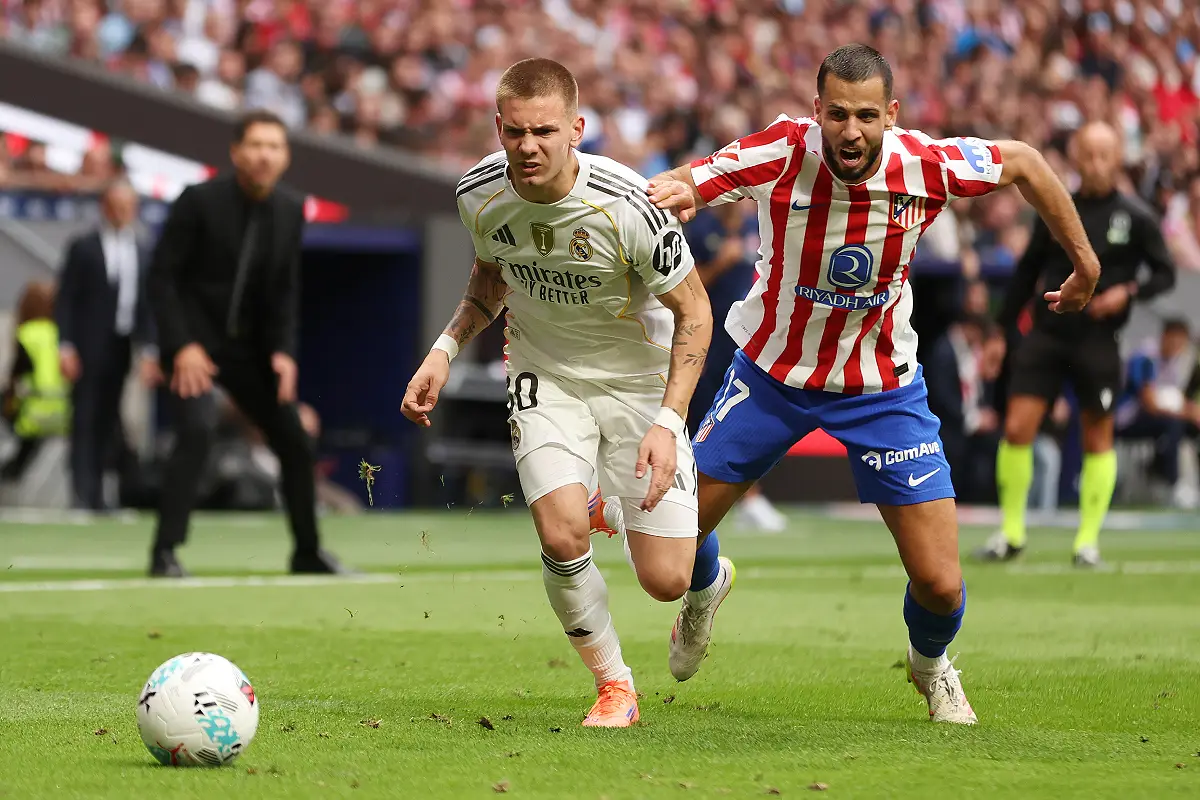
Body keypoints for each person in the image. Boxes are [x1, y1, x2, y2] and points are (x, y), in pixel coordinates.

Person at [627, 43, 1099, 724]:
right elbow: (692, 176)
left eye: (868, 116)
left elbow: (1024, 160)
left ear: (892, 114)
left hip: (882, 389)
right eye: (839, 114)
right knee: (671, 545)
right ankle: (706, 590)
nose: (852, 131)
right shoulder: (783, 152)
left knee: (940, 584)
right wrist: (674, 192)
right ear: (817, 110)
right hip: (771, 376)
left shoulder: (925, 165)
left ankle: (931, 666)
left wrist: (1083, 263)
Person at [401, 58, 714, 729]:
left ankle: (687, 566)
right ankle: (615, 687)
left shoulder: (631, 205)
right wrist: (443, 350)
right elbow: (490, 280)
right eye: (514, 132)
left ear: (576, 129)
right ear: (498, 127)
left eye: (544, 131)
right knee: (559, 531)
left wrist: (669, 417)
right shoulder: (478, 192)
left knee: (667, 581)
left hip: (639, 381)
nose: (527, 146)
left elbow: (695, 314)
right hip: (545, 375)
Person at [147, 109, 346, 578]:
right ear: (236, 152)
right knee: (196, 429)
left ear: (286, 157)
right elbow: (162, 280)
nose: (263, 155)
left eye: (273, 147)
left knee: (293, 438)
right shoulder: (197, 201)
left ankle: (307, 552)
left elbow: (284, 291)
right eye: (255, 145)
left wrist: (283, 352)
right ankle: (164, 552)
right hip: (194, 345)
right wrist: (181, 346)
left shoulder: (290, 209)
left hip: (251, 352)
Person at [979, 121, 1176, 567]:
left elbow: (1165, 272)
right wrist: (999, 332)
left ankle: (1086, 542)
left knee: (1097, 437)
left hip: (1098, 339)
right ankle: (1011, 533)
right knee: (1016, 428)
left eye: (1105, 155)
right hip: (1047, 332)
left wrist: (1127, 293)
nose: (1096, 164)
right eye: (1087, 154)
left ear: (1118, 158)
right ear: (1075, 158)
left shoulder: (1136, 216)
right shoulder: (1054, 208)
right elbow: (1026, 271)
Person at [54, 178, 161, 510]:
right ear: (104, 207)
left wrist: (149, 350)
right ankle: (82, 493)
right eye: (116, 206)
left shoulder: (142, 250)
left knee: (110, 420)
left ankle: (100, 492)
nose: (121, 213)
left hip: (122, 345)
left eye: (128, 207)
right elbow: (66, 298)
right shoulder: (83, 246)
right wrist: (66, 345)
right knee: (85, 416)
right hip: (87, 346)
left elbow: (146, 304)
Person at [684, 201, 787, 531]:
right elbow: (684, 286)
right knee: (705, 416)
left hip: (744, 336)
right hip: (707, 334)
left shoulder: (752, 226)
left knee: (741, 414)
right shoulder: (699, 230)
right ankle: (727, 499)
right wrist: (719, 264)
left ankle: (749, 498)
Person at [2, 281, 70, 482]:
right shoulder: (64, 335)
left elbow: (16, 377)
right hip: (67, 413)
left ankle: (11, 472)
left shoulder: (27, 334)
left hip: (34, 414)